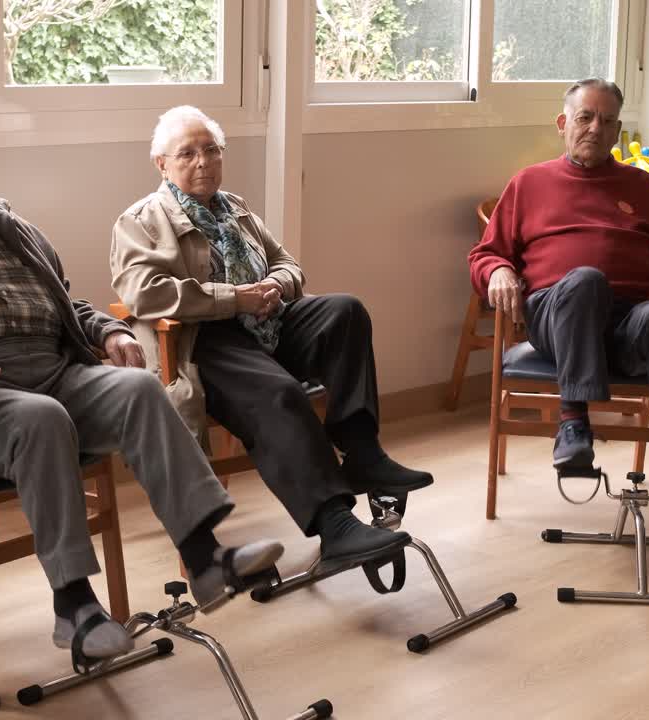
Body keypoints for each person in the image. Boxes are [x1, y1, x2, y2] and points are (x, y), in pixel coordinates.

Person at [0, 94, 282, 665]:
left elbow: (66, 301)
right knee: (41, 418)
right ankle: (74, 607)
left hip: (53, 368)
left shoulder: (6, 222)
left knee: (140, 389)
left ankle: (206, 560)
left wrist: (105, 332)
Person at [111, 105, 434, 568]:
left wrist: (275, 286)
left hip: (267, 324)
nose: (203, 162)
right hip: (205, 342)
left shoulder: (235, 208)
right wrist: (233, 299)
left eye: (211, 150)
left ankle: (362, 451)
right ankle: (335, 523)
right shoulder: (141, 220)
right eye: (187, 153)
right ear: (161, 163)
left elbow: (288, 263)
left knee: (344, 310)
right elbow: (144, 293)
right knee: (280, 392)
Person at [467, 78, 649, 526]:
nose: (594, 128)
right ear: (564, 123)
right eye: (585, 117)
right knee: (585, 281)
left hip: (628, 323)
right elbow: (485, 254)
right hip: (557, 317)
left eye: (606, 121)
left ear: (618, 131)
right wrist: (499, 271)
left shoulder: (644, 188)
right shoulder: (529, 183)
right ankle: (573, 424)